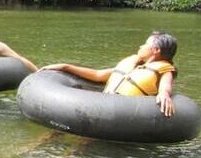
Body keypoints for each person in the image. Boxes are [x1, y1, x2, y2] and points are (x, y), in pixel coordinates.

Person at [40, 31, 178, 117]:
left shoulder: (164, 70)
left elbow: (165, 86)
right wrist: (66, 67)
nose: (140, 46)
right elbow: (98, 75)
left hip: (122, 112)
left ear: (156, 50)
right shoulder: (134, 67)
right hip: (105, 104)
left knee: (83, 141)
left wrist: (164, 94)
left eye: (145, 44)